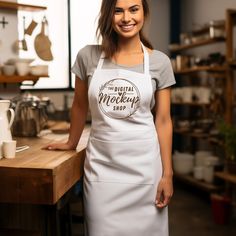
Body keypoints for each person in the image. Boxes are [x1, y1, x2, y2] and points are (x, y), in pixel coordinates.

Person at [44, 0, 176, 235]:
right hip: (102, 171)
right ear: (108, 14)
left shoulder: (159, 62)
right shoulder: (88, 56)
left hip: (145, 172)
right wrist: (71, 142)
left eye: (134, 9)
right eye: (118, 11)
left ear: (144, 12)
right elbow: (79, 105)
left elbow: (164, 120)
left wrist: (167, 174)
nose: (127, 18)